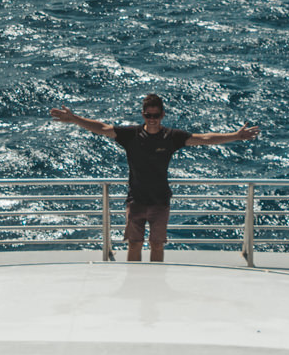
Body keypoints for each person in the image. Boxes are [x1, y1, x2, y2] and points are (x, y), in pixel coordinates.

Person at [49, 93, 260, 262]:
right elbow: (103, 128)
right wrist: (74, 119)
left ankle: (155, 284)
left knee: (157, 245)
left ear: (162, 115)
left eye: (155, 115)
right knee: (134, 244)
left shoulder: (171, 137)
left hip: (160, 202)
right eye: (148, 116)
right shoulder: (130, 135)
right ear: (142, 115)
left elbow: (204, 138)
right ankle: (134, 282)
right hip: (136, 201)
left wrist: (236, 136)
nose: (152, 120)